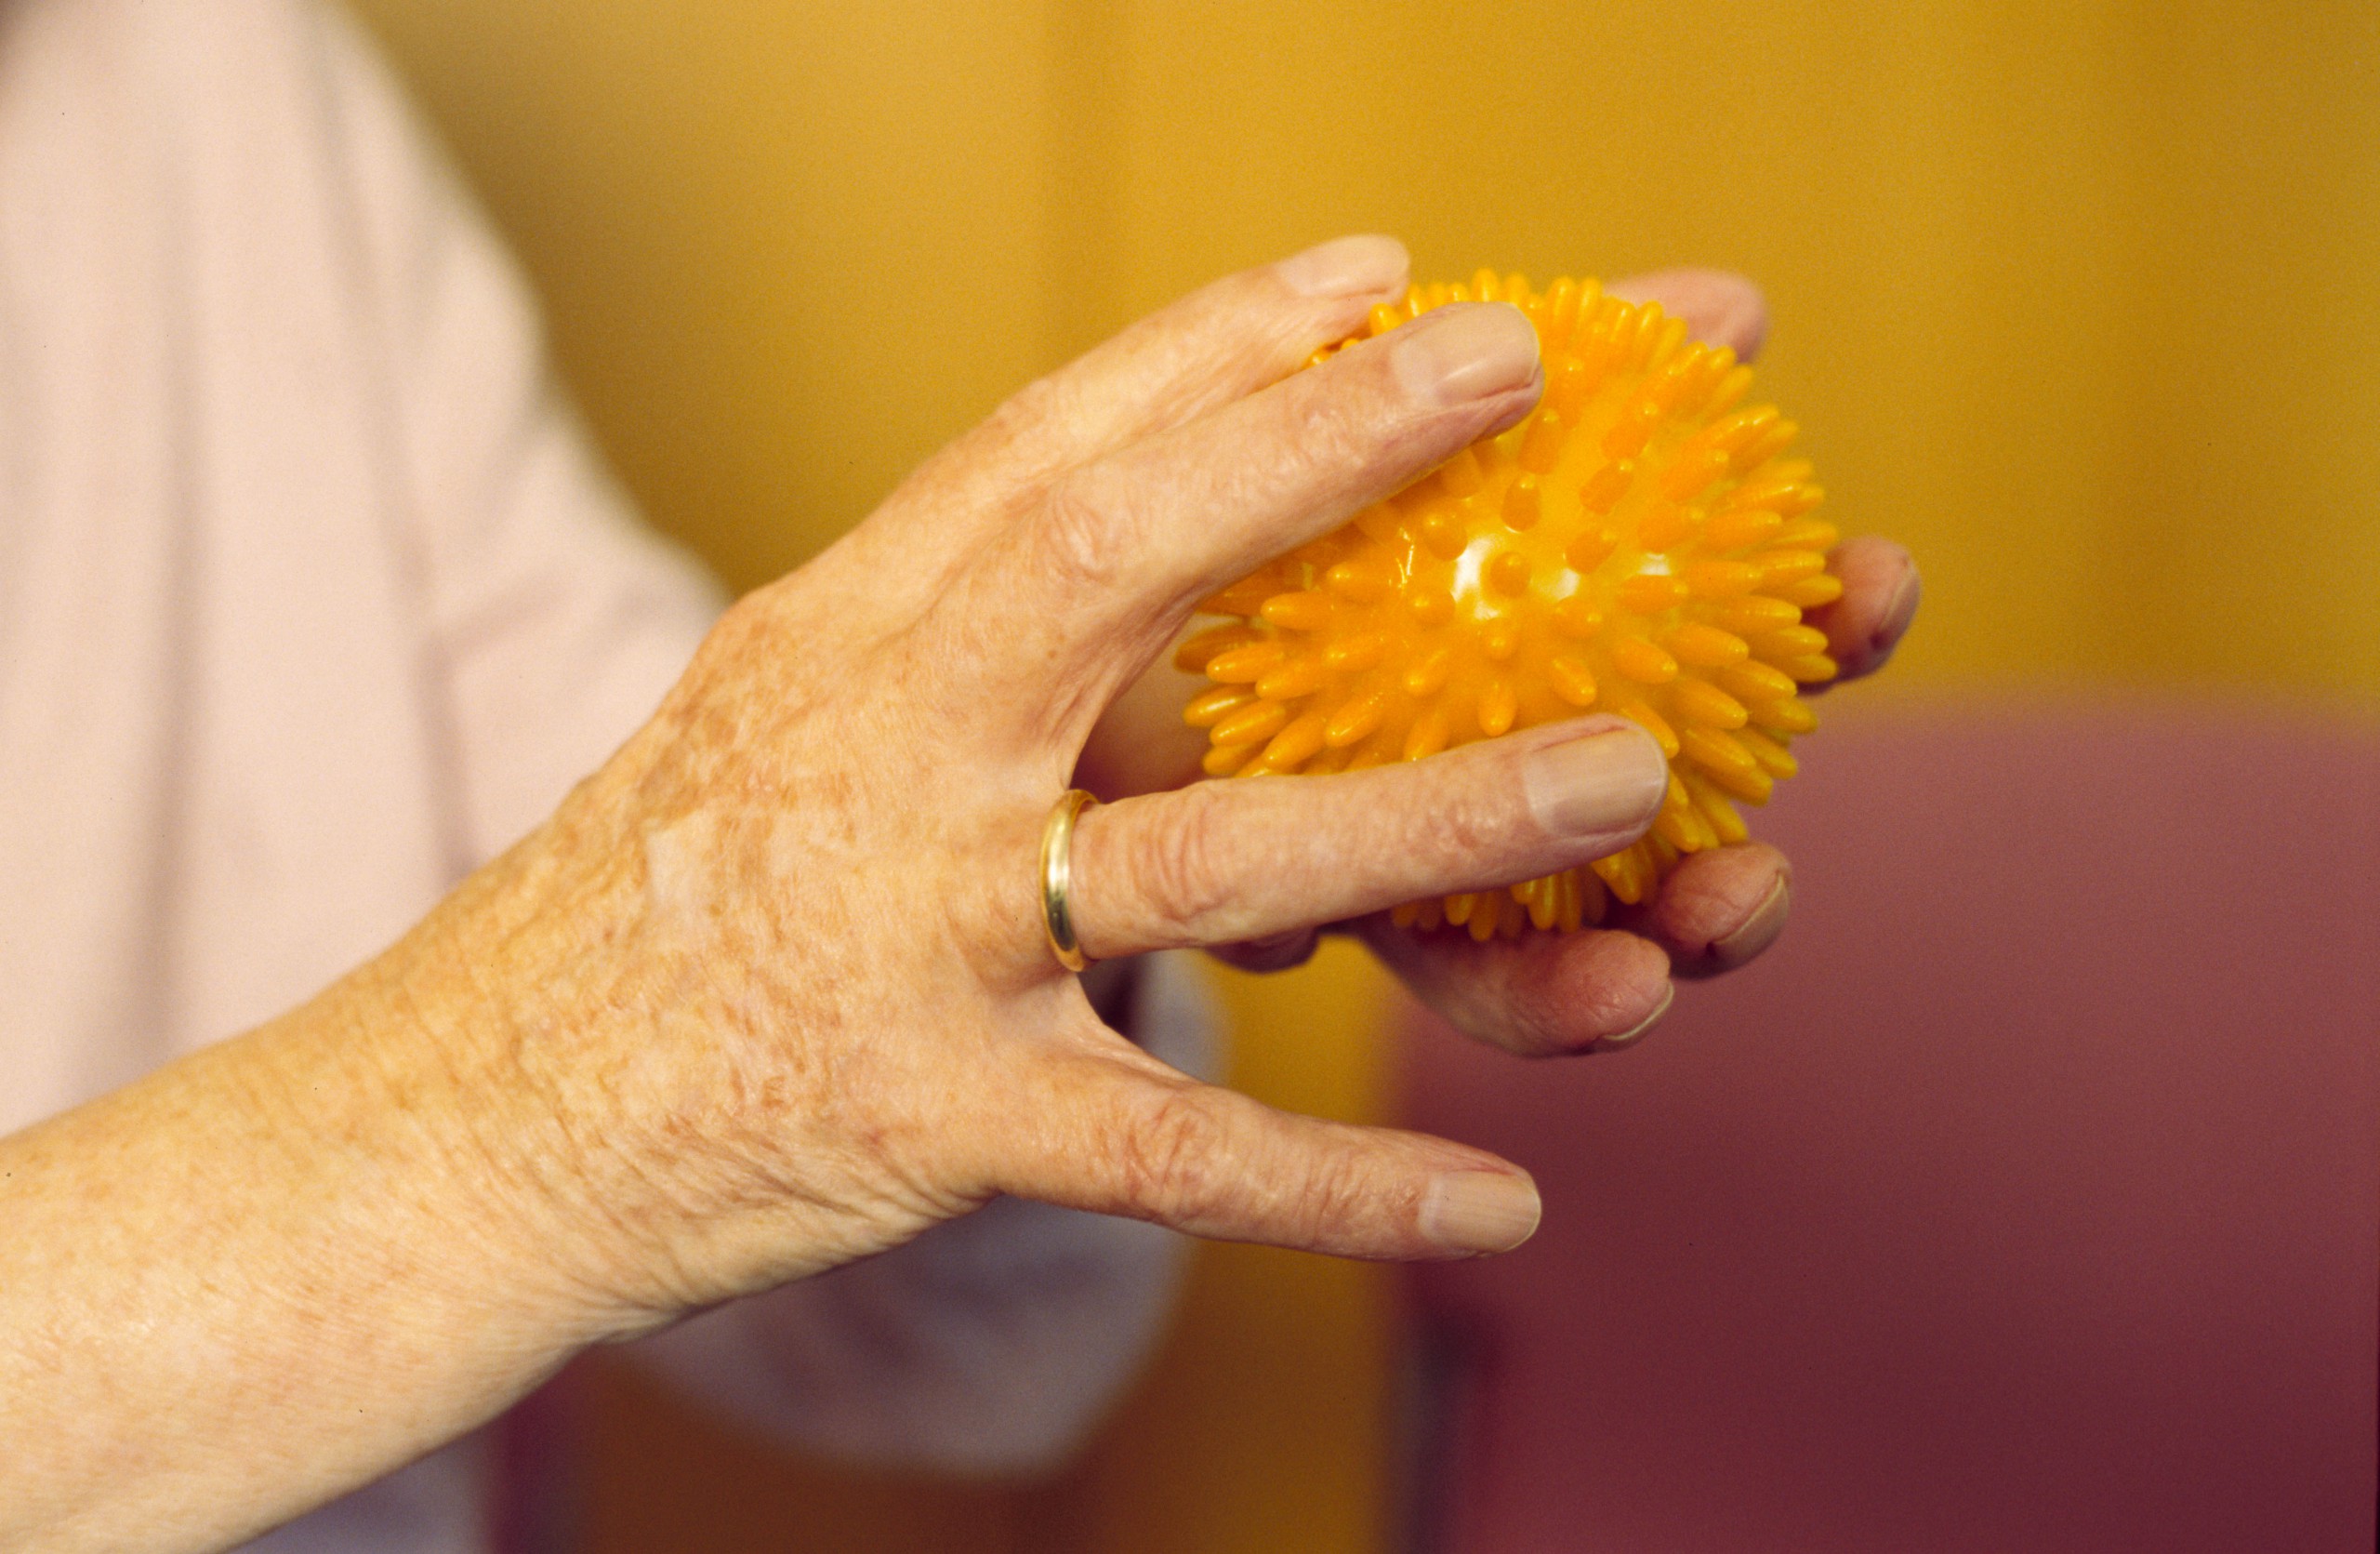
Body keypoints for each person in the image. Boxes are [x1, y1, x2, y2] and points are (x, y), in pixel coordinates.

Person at [0, 2, 1919, 1550]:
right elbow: (617, 1000)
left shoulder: (209, 71)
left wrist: (1085, 758)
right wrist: (516, 1105)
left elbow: (898, 1323)